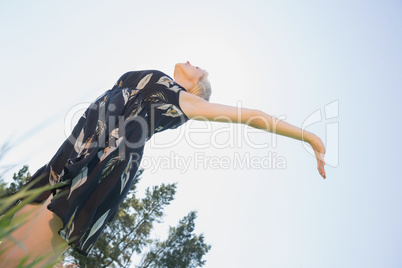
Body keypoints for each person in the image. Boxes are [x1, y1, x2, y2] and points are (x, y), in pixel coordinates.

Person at [0, 61, 326, 267]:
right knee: (8, 240)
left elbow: (252, 117)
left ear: (196, 86)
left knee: (17, 255)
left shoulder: (184, 99)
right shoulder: (149, 84)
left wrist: (309, 138)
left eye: (199, 68)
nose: (193, 62)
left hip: (100, 166)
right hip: (74, 153)